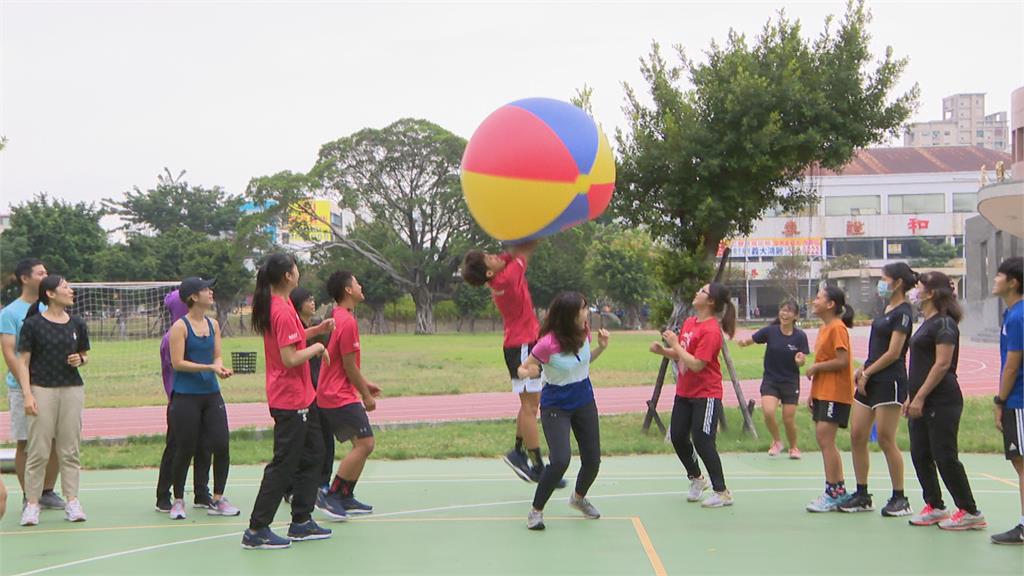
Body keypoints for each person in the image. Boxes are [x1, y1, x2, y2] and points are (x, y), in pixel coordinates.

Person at [242, 253, 336, 550]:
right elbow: (290, 356)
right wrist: (318, 347)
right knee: (284, 464)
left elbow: (292, 340)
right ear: (287, 276)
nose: (299, 273)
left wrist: (315, 331)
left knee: (315, 454)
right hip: (290, 399)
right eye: (296, 269)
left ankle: (301, 521)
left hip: (302, 396)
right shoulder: (280, 310)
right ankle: (257, 529)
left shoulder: (281, 306)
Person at [462, 242, 558, 484]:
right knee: (530, 407)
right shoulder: (506, 278)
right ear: (488, 273)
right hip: (522, 346)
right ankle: (537, 467)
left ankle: (518, 451)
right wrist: (538, 228)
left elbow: (510, 254)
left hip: (520, 344)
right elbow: (524, 250)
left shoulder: (498, 277)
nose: (495, 256)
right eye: (489, 257)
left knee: (528, 404)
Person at [518, 292, 609, 530]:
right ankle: (535, 512)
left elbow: (583, 363)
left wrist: (600, 348)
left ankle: (578, 498)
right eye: (583, 308)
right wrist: (529, 372)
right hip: (556, 404)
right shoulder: (547, 343)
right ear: (569, 314)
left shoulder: (585, 331)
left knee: (593, 460)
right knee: (560, 461)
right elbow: (524, 368)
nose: (587, 312)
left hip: (584, 400)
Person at [905, 271, 986, 530]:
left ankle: (969, 510)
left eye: (918, 287)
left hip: (942, 400)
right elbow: (918, 364)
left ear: (931, 293)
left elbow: (941, 365)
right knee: (920, 453)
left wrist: (920, 397)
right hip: (920, 399)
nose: (914, 291)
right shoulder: (927, 323)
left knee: (945, 456)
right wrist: (911, 397)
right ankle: (935, 506)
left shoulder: (944, 324)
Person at [650, 283, 736, 508]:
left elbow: (697, 364)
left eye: (702, 291)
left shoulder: (711, 330)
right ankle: (697, 478)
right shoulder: (690, 323)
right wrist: (664, 351)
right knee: (678, 436)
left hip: (706, 393)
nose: (696, 292)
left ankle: (722, 491)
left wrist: (675, 345)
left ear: (710, 302)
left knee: (703, 440)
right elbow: (683, 356)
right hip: (685, 392)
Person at [842, 262, 916, 516]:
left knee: (885, 438)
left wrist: (868, 372)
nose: (880, 284)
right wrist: (862, 369)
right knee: (857, 435)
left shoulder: (904, 312)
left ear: (897, 283)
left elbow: (894, 352)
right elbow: (877, 349)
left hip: (890, 381)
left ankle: (900, 498)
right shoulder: (886, 309)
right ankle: (862, 494)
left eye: (884, 279)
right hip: (870, 380)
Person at [17, 275, 89, 526]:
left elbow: (84, 354)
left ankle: (72, 501)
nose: (71, 290)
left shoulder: (77, 323)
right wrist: (27, 394)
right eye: (65, 287)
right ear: (49, 293)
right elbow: (22, 363)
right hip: (41, 389)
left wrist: (81, 359)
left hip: (72, 389)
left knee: (69, 450)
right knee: (38, 450)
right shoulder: (33, 325)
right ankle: (32, 504)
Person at [166, 277, 239, 520]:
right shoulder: (180, 327)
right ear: (193, 297)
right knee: (185, 448)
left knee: (222, 444)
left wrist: (220, 367)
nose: (211, 292)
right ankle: (177, 500)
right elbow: (178, 363)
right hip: (186, 397)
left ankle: (217, 498)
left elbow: (217, 356)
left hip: (211, 394)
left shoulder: (213, 324)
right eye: (205, 289)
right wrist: (210, 368)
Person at [315, 271, 382, 518]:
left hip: (331, 392)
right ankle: (330, 495)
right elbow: (349, 365)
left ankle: (345, 495)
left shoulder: (338, 317)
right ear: (347, 290)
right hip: (337, 395)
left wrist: (365, 384)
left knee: (360, 444)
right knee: (366, 443)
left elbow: (345, 366)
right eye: (356, 282)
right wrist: (366, 395)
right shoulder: (348, 321)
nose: (360, 285)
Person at [0, 258, 64, 511]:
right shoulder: (10, 313)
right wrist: (27, 383)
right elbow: (9, 352)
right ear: (25, 279)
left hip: (53, 384)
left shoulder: (51, 308)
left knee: (56, 440)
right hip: (21, 387)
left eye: (47, 272)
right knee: (26, 441)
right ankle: (30, 493)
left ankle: (47, 490)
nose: (45, 275)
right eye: (40, 272)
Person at [154, 288, 212, 513]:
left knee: (204, 445)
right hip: (181, 398)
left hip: (203, 395)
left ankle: (201, 491)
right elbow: (175, 369)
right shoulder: (175, 335)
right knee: (177, 447)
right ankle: (163, 494)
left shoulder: (203, 328)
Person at [804, 286, 855, 513]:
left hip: (835, 392)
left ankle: (834, 491)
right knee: (824, 440)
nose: (814, 301)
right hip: (823, 391)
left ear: (830, 304)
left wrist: (816, 367)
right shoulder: (825, 329)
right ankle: (836, 490)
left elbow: (842, 361)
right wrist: (813, 393)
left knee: (826, 440)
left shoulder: (837, 328)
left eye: (818, 298)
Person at [737, 299, 808, 459]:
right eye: (783, 310)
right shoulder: (771, 331)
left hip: (790, 381)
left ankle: (794, 448)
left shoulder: (800, 336)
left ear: (796, 315)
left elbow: (802, 360)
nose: (785, 313)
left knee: (788, 419)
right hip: (771, 380)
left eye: (789, 311)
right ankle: (777, 441)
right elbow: (752, 339)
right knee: (768, 412)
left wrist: (800, 361)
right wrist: (743, 342)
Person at [289, 287, 335, 494]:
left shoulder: (316, 327)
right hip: (301, 392)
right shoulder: (291, 328)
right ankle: (292, 486)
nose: (313, 302)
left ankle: (322, 483)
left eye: (313, 299)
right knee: (300, 443)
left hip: (319, 387)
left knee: (324, 438)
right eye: (308, 299)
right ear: (298, 304)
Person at [992, 256, 1024, 545]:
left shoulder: (1018, 316)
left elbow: (1012, 365)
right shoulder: (1012, 314)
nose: (994, 280)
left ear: (1013, 282)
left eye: (999, 275)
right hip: (1016, 399)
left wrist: (1000, 400)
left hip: (1019, 399)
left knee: (1023, 463)